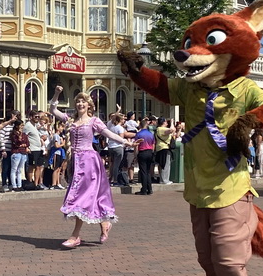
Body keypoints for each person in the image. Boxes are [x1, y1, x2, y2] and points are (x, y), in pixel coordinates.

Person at [49, 86, 132, 246]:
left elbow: (108, 133)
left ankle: (75, 236)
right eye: (78, 101)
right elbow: (53, 109)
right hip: (76, 161)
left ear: (89, 105)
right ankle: (104, 224)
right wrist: (57, 93)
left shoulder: (94, 121)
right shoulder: (70, 120)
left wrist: (125, 141)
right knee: (90, 196)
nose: (80, 104)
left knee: (82, 196)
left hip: (89, 161)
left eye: (83, 101)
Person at [134, 118, 156, 195]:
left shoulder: (139, 134)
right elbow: (153, 144)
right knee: (148, 171)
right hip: (150, 152)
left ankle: (144, 189)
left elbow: (136, 145)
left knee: (143, 171)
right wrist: (152, 152)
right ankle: (149, 189)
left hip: (142, 152)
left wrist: (135, 155)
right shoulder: (151, 134)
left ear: (140, 125)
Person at [9, 119, 29, 191]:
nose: (22, 127)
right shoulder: (14, 134)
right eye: (21, 125)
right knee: (14, 169)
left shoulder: (24, 134)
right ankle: (14, 185)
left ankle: (19, 185)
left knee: (20, 170)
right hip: (16, 153)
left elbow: (27, 143)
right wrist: (20, 140)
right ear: (17, 126)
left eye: (23, 125)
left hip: (23, 153)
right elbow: (16, 143)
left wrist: (23, 145)